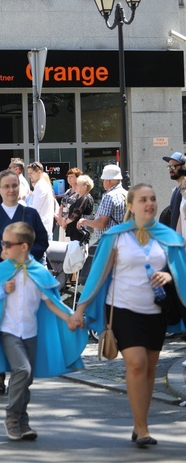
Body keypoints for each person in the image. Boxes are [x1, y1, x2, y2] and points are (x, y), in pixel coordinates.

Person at [69, 184, 186, 446]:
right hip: (121, 309)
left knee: (149, 371)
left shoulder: (166, 237)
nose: (150, 203)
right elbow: (98, 274)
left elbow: (179, 271)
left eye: (153, 199)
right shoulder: (117, 236)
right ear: (131, 206)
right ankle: (142, 427)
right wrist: (81, 309)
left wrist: (168, 275)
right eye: (143, 199)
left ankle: (139, 421)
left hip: (155, 311)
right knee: (136, 364)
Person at [0, 222, 85, 441]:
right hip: (9, 333)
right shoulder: (3, 271)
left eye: (7, 244)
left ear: (23, 247)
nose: (2, 248)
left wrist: (69, 318)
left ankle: (23, 421)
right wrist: (2, 290)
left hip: (31, 333)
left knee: (27, 377)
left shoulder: (38, 272)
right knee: (22, 371)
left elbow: (52, 302)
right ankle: (12, 418)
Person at [0, 169, 49, 394]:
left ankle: (20, 371)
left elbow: (42, 241)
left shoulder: (30, 215)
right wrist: (1, 255)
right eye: (6, 186)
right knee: (0, 323)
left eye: (14, 185)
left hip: (26, 278)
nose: (11, 190)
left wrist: (23, 255)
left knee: (22, 323)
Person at [77, 164, 127, 238]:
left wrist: (84, 222)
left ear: (108, 181)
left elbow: (101, 224)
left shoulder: (109, 196)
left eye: (103, 180)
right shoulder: (126, 193)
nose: (102, 182)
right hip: (123, 238)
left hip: (110, 240)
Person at [26, 162, 57, 242]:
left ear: (39, 172)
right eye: (28, 173)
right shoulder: (40, 186)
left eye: (31, 173)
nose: (29, 176)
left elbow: (35, 210)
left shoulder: (41, 187)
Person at [60, 175, 94, 242]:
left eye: (78, 185)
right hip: (74, 231)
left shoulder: (85, 198)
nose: (76, 186)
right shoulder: (77, 197)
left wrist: (65, 223)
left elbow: (75, 214)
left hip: (80, 232)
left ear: (85, 187)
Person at [54, 167, 82, 238]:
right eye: (68, 177)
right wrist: (60, 220)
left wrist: (65, 222)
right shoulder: (68, 191)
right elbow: (61, 207)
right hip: (63, 222)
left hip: (72, 223)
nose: (69, 179)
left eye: (71, 177)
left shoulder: (80, 192)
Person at [163, 152, 186, 231]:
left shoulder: (184, 191)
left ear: (183, 166)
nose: (170, 170)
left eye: (173, 167)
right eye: (169, 167)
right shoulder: (176, 190)